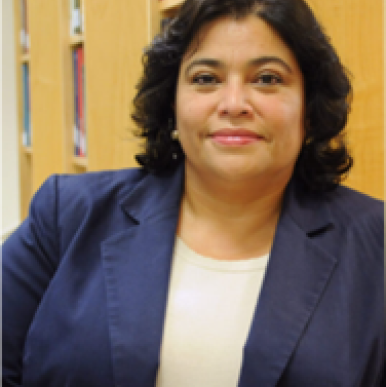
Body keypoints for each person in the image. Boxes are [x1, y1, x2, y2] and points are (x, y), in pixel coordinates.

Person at [2, 0, 384, 386]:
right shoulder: (66, 215)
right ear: (172, 102)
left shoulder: (375, 245)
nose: (234, 104)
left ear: (309, 104)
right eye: (205, 79)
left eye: (267, 79)